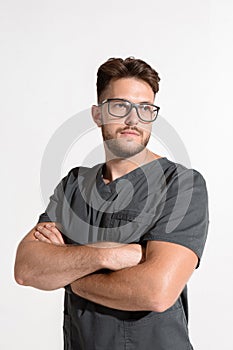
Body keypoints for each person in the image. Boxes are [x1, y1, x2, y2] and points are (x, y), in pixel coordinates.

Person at [14, 57, 209, 350]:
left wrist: (68, 275)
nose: (134, 120)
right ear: (97, 114)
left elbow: (157, 291)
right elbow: (27, 269)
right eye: (120, 106)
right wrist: (108, 255)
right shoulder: (74, 186)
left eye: (145, 109)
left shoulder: (180, 185)